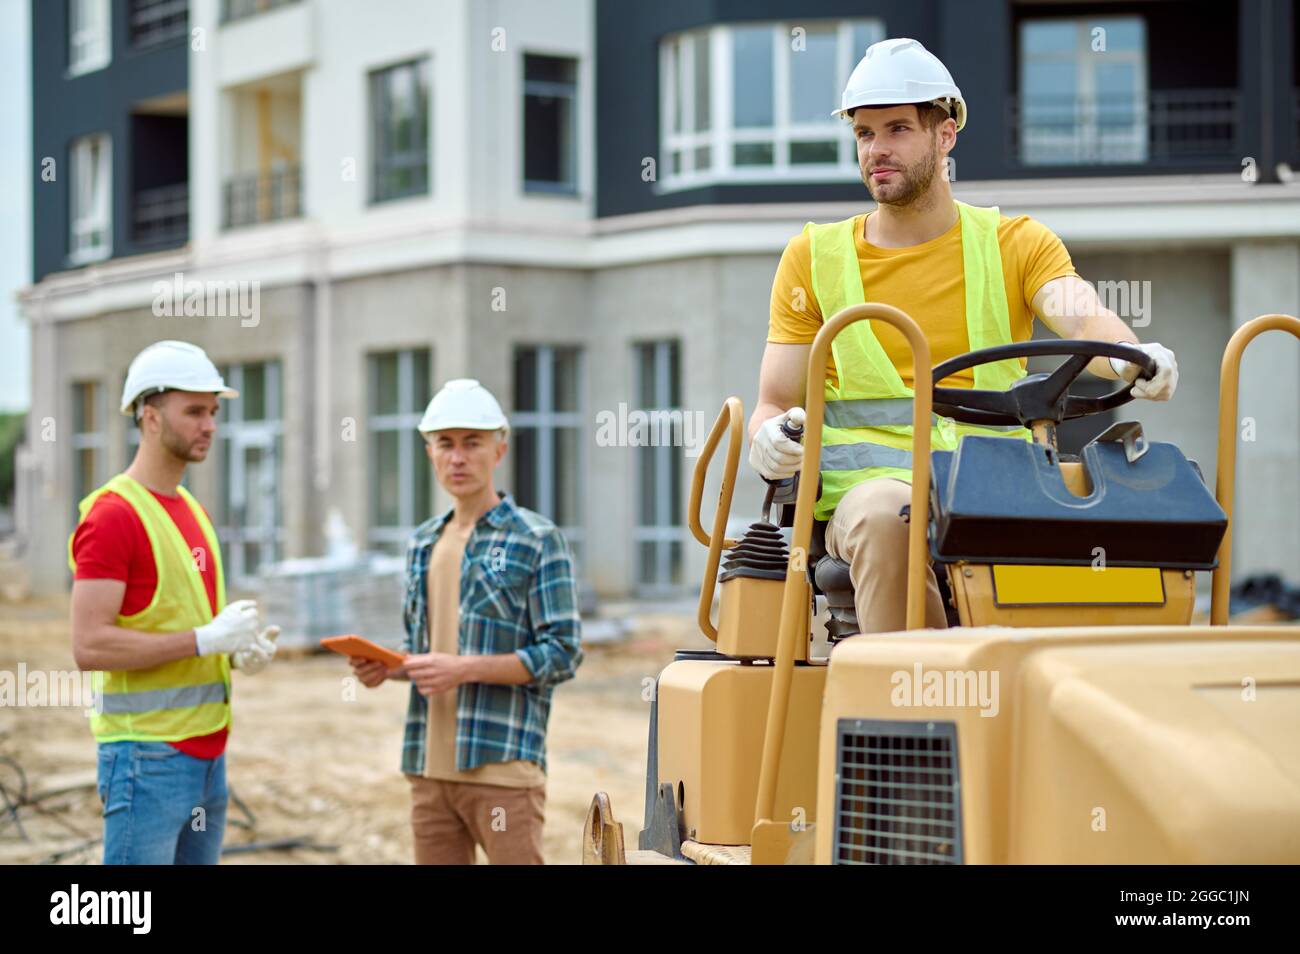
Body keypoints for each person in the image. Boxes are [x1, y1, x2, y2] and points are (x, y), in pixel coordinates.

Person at [748, 38, 1179, 634]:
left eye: (897, 128)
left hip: (995, 484)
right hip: (868, 498)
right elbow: (774, 400)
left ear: (945, 135)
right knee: (888, 516)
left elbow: (1080, 317)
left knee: (1138, 504)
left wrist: (1131, 358)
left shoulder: (1015, 244)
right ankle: (917, 709)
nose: (877, 149)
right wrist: (766, 437)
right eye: (864, 133)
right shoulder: (812, 258)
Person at [351, 378, 582, 864]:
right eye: (445, 444)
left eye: (472, 443)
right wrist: (392, 667)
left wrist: (463, 668)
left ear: (499, 449)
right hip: (429, 769)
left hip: (501, 769)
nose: (458, 458)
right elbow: (428, 649)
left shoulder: (537, 539)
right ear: (429, 452)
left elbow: (562, 653)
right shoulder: (422, 542)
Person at [69, 340, 279, 864]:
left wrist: (231, 652)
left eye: (212, 411)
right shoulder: (114, 516)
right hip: (146, 758)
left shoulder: (190, 509)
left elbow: (176, 623)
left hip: (208, 756)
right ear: (150, 416)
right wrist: (204, 639)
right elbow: (90, 645)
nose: (209, 425)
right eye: (193, 411)